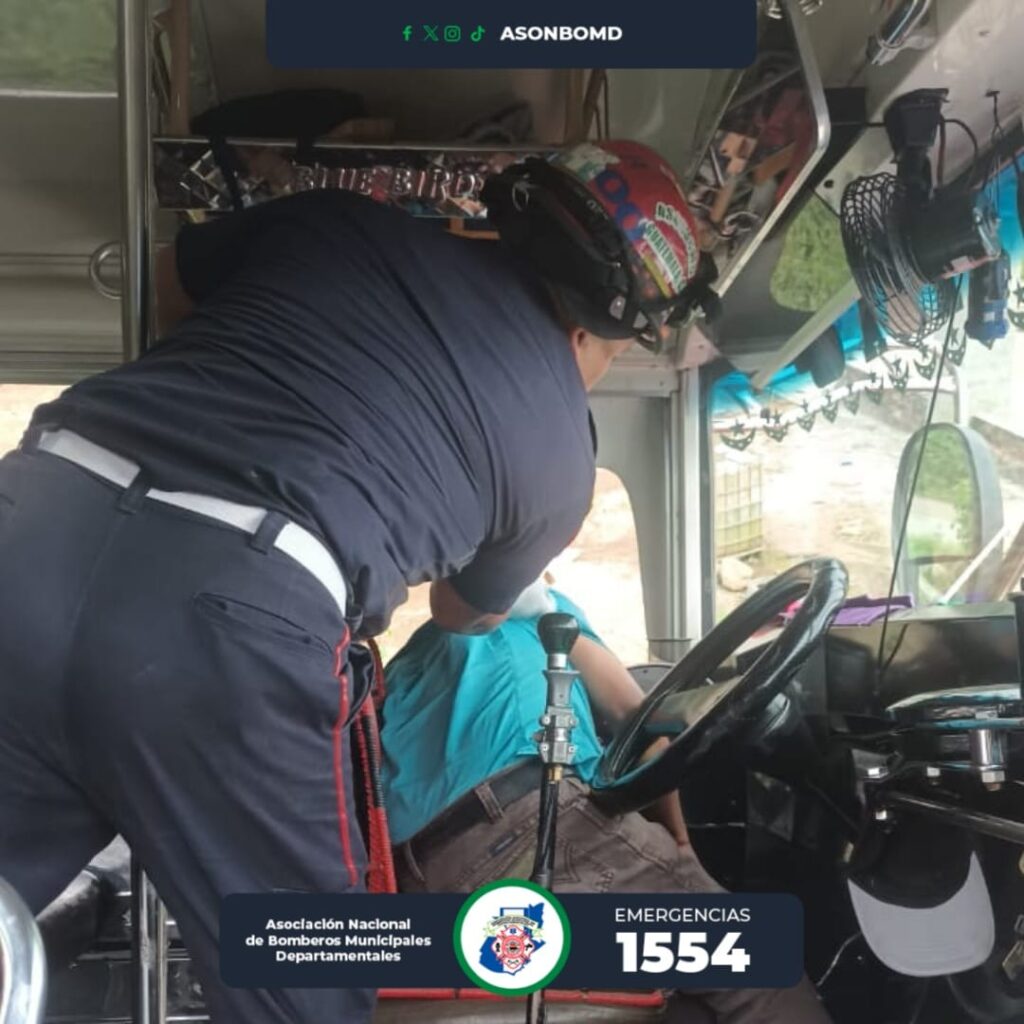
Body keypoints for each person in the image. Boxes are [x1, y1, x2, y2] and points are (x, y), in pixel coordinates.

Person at [0, 140, 705, 1022]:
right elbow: (463, 614)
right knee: (307, 980)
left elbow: (168, 288)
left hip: (31, 519)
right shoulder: (561, 456)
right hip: (229, 619)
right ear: (590, 332)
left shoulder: (339, 224)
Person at [381, 584, 833, 1024]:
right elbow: (640, 723)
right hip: (529, 827)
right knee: (754, 958)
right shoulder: (547, 613)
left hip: (424, 876)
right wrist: (680, 846)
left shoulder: (421, 647)